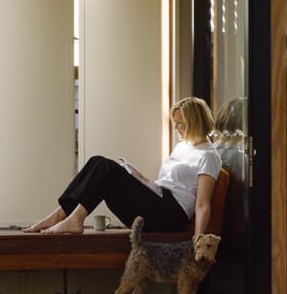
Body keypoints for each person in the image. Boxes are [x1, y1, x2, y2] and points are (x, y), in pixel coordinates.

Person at [27, 97, 221, 238]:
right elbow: (167, 183)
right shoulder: (182, 146)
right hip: (159, 200)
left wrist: (198, 240)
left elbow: (203, 204)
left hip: (170, 215)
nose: (176, 128)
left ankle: (74, 219)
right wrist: (139, 177)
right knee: (97, 161)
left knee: (105, 167)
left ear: (195, 122)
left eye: (181, 124)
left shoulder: (208, 157)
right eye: (175, 123)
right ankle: (61, 214)